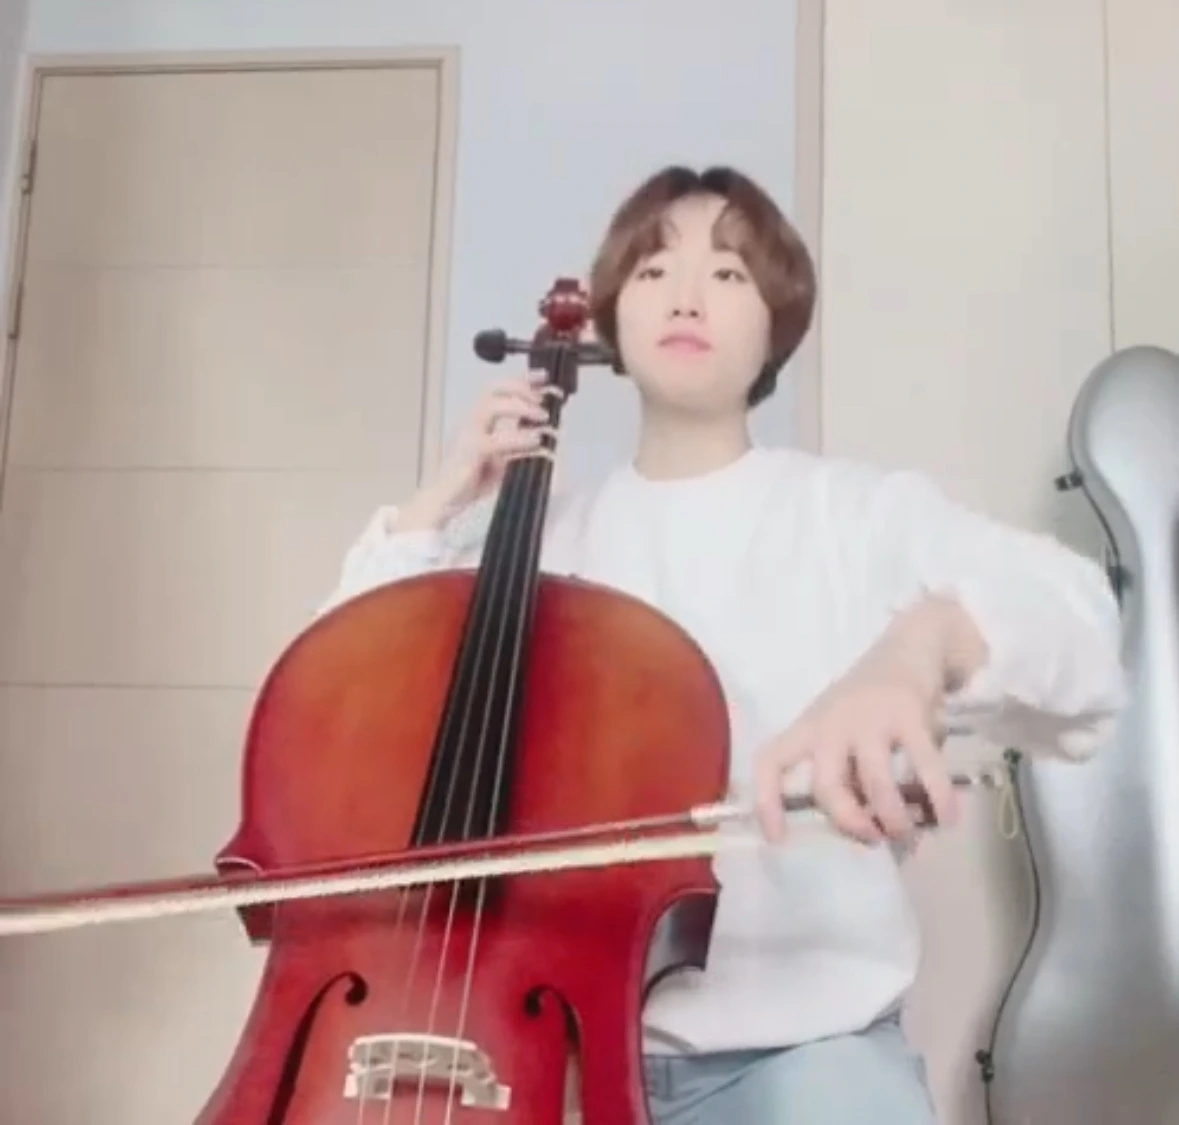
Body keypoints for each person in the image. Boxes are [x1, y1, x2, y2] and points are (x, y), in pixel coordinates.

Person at [318, 166, 1125, 1123]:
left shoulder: (851, 515)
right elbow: (335, 704)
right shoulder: (541, 542)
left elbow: (1081, 620)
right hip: (549, 1049)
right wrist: (438, 500)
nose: (687, 294)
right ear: (612, 318)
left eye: (729, 272)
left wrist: (918, 650)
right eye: (654, 269)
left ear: (776, 324)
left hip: (805, 1055)